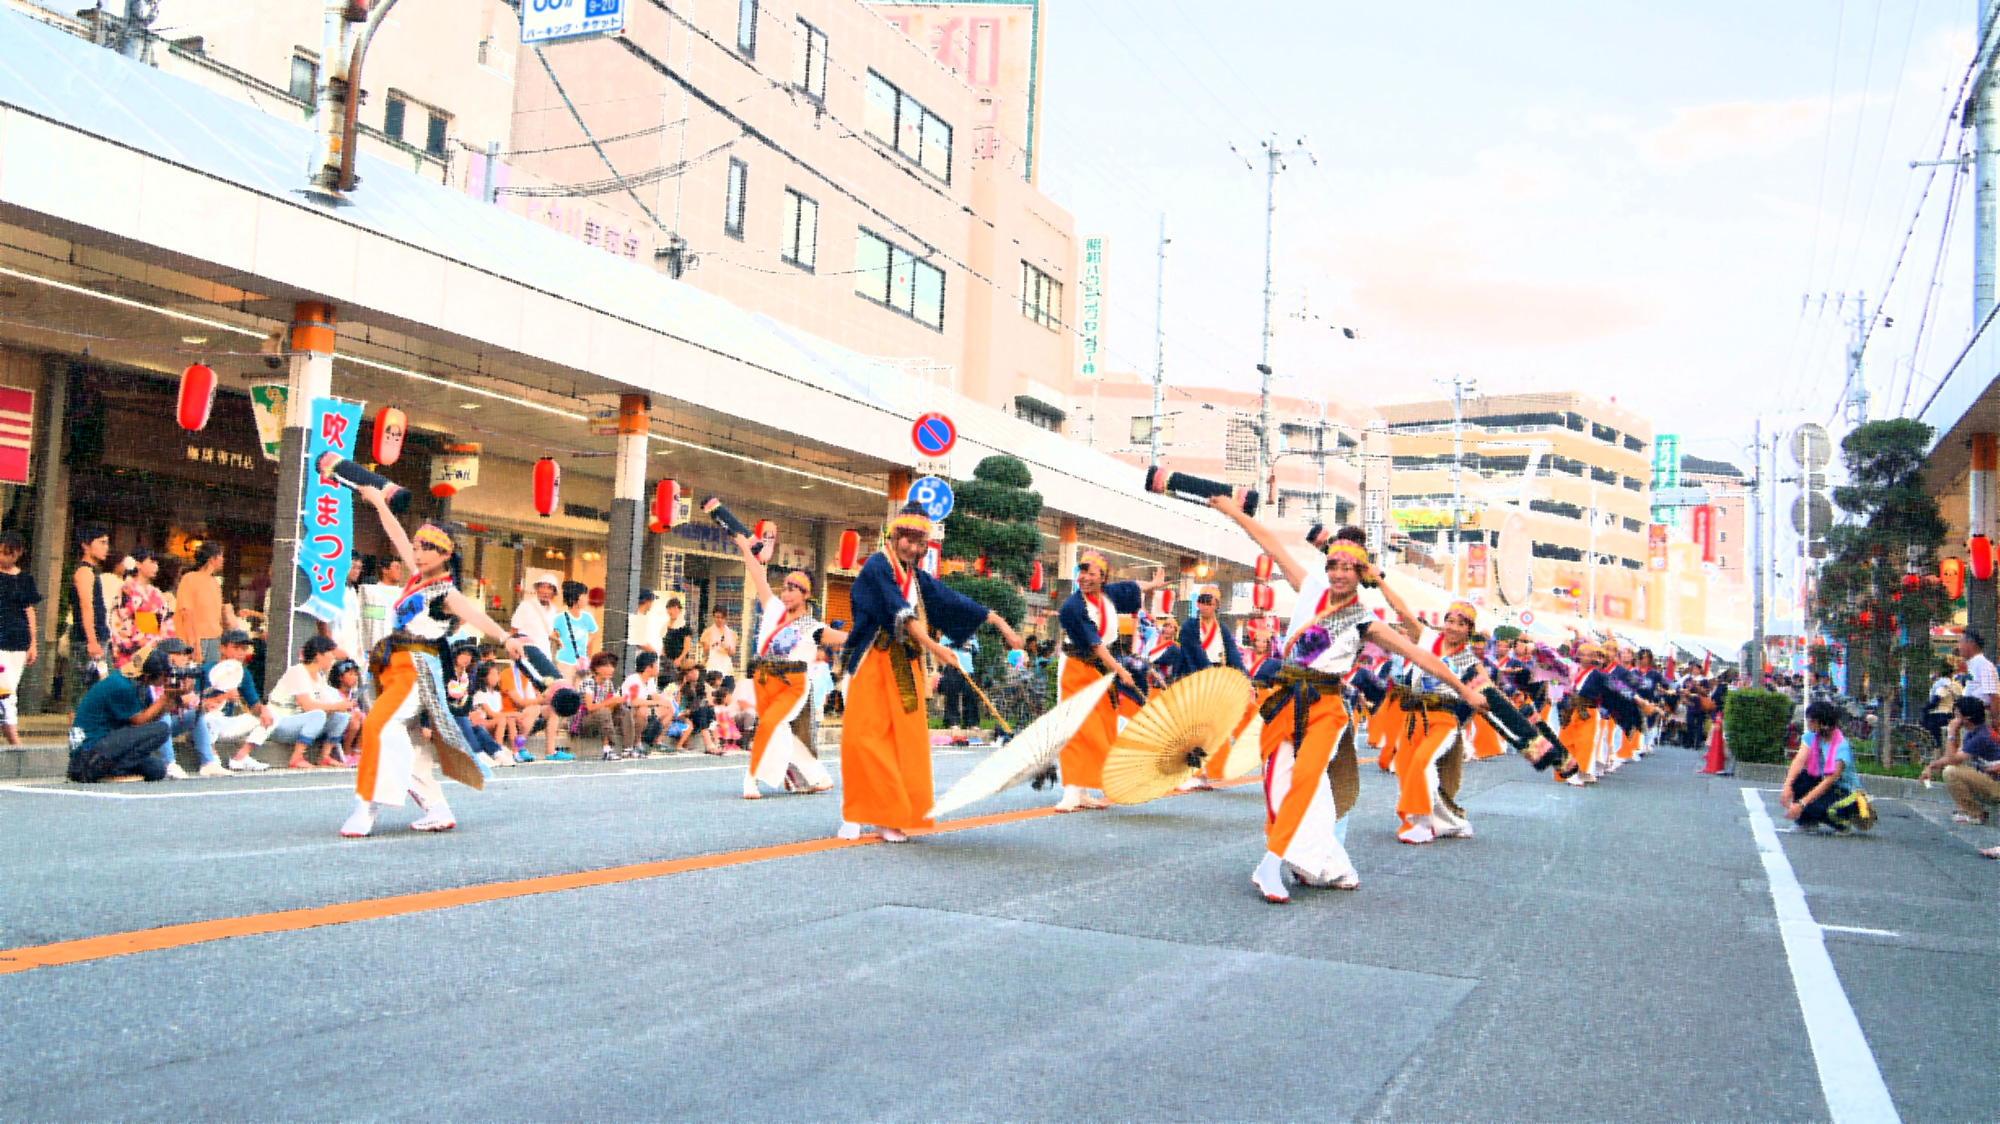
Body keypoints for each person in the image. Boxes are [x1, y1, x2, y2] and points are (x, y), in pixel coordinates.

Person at [1209, 499, 1487, 902]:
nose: (1339, 574)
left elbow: (1421, 656)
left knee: (1306, 779)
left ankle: (1269, 864)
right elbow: (1270, 544)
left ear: (1360, 575)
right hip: (1286, 701)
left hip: (1325, 708)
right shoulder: (1308, 590)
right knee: (1285, 787)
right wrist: (1232, 512)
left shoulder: (1364, 621)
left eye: (1348, 568)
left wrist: (1465, 691)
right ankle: (1325, 863)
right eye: (1334, 566)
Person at [340, 488, 527, 838]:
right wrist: (380, 502)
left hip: (416, 668)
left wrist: (505, 638)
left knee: (379, 727)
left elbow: (476, 615)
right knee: (409, 743)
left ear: (445, 554)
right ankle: (436, 808)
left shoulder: (446, 592)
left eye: (428, 548)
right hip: (390, 666)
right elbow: (395, 533)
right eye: (417, 546)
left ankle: (367, 806)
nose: (418, 552)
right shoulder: (414, 577)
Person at [838, 503, 1022, 842]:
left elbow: (951, 600)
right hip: (872, 659)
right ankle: (857, 811)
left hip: (905, 664)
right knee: (865, 739)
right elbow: (903, 615)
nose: (911, 546)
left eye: (919, 541)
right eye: (906, 538)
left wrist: (999, 622)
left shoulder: (917, 578)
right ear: (894, 535)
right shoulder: (878, 566)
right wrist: (936, 648)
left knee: (905, 742)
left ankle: (891, 814)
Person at [1051, 551, 1168, 812]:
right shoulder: (1073, 607)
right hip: (1076, 668)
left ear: (1103, 578)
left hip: (1101, 672)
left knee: (1101, 727)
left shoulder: (1110, 596)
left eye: (1092, 573)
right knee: (1073, 727)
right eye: (1082, 573)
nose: (1085, 578)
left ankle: (1083, 790)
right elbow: (1095, 646)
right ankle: (1071, 790)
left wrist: (1153, 586)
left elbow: (1134, 587)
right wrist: (1121, 670)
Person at [734, 531, 842, 798]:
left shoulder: (812, 626)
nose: (785, 592)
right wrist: (744, 548)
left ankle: (751, 779)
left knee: (769, 724)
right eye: (784, 587)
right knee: (778, 728)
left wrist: (872, 632)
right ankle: (818, 776)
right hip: (763, 681)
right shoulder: (772, 608)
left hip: (791, 685)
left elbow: (844, 640)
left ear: (806, 594)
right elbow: (758, 574)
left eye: (792, 589)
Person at [67, 640, 206, 783]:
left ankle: (110, 768)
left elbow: (153, 715)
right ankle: (107, 770)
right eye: (164, 675)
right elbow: (139, 721)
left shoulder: (137, 682)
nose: (166, 678)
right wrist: (167, 696)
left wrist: (174, 695)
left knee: (157, 770)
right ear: (147, 675)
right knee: (162, 729)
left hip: (106, 744)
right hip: (88, 753)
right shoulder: (121, 685)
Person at [1782, 698, 1873, 833]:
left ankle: (1843, 824)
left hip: (1844, 791)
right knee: (1800, 779)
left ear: (1823, 723)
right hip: (1824, 783)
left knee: (1825, 808)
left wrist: (1802, 804)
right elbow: (1799, 761)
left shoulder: (1842, 747)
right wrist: (1787, 787)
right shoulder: (1811, 737)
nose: (1808, 724)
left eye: (1812, 721)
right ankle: (1807, 822)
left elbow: (1829, 781)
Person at [267, 636, 354, 770]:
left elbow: (325, 702)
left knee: (342, 716)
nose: (333, 657)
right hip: (280, 723)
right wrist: (336, 706)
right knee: (317, 715)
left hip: (300, 723)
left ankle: (324, 756)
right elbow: (307, 706)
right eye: (330, 652)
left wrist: (342, 706)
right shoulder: (298, 672)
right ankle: (296, 757)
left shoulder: (319, 676)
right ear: (319, 655)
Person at [202, 629, 277, 775]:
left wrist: (264, 710)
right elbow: (194, 703)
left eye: (244, 648)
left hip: (227, 723)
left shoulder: (243, 672)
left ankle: (241, 757)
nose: (241, 653)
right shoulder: (206, 670)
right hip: (208, 722)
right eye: (236, 648)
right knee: (205, 719)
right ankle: (212, 758)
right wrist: (222, 697)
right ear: (222, 648)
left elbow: (254, 704)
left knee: (272, 717)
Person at [1921, 695, 2000, 827]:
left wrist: (1951, 733)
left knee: (1951, 772)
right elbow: (1956, 756)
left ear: (1966, 719)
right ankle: (1967, 810)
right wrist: (1931, 766)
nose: (1953, 718)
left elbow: (1953, 760)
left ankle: (1973, 814)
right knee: (1954, 769)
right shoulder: (1975, 732)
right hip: (1992, 779)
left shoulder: (1981, 737)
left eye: (1956, 715)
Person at [0, 531, 41, 746]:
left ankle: (10, 731)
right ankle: (12, 734)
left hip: (18, 639)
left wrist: (33, 642)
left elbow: (29, 610)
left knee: (9, 688)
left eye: (8, 553)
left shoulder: (25, 579)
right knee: (3, 688)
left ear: (19, 552)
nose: (3, 557)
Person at [173, 540, 240, 666]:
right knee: (195, 676)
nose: (222, 559)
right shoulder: (189, 578)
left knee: (211, 677)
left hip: (215, 637)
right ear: (211, 558)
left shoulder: (215, 582)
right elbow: (186, 612)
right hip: (197, 637)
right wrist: (192, 644)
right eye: (220, 555)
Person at [110, 548, 174, 671]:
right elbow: (124, 621)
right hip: (132, 648)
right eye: (151, 562)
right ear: (138, 564)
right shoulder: (128, 589)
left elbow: (166, 620)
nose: (155, 567)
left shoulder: (155, 592)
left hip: (154, 648)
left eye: (156, 563)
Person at [69, 524, 112, 692]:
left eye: (107, 543)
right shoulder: (84, 571)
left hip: (96, 636)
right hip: (87, 639)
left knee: (98, 689)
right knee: (82, 692)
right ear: (85, 545)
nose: (105, 548)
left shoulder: (91, 571)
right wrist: (92, 641)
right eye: (101, 542)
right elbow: (86, 606)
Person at [574, 651, 637, 760]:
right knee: (603, 711)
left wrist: (619, 701)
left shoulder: (608, 683)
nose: (611, 669)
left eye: (612, 666)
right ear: (596, 668)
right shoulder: (588, 682)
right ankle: (607, 749)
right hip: (585, 722)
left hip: (603, 720)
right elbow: (590, 708)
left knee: (623, 711)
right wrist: (610, 701)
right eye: (606, 666)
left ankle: (628, 748)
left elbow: (611, 704)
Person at [621, 651, 671, 752]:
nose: (658, 667)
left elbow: (655, 697)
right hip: (626, 712)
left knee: (669, 709)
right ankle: (636, 742)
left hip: (642, 709)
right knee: (643, 710)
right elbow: (634, 702)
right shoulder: (633, 680)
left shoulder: (650, 680)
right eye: (656, 664)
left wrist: (664, 701)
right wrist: (656, 703)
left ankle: (657, 742)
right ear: (648, 667)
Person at [509, 572, 560, 671]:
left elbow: (547, 633)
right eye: (543, 587)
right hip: (525, 655)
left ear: (554, 592)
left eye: (549, 588)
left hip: (544, 656)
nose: (545, 591)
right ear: (537, 589)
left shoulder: (554, 611)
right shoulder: (526, 605)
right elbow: (513, 630)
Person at [552, 580, 598, 679]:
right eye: (584, 595)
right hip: (565, 660)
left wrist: (587, 660)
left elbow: (591, 638)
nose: (587, 598)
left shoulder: (587, 614)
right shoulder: (560, 613)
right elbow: (552, 634)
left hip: (580, 660)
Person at [1923, 661, 1962, 750]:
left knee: (1932, 731)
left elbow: (1936, 699)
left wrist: (1925, 709)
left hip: (1940, 714)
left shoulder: (1941, 683)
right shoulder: (1957, 685)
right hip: (1952, 715)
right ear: (1952, 673)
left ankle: (1936, 748)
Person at [1960, 629, 1998, 720]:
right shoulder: (1973, 664)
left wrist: (1995, 720)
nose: (1959, 647)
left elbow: (1994, 695)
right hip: (1970, 717)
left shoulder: (1984, 664)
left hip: (1980, 718)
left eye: (1961, 642)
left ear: (1971, 644)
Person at [659, 594, 695, 671]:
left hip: (680, 662)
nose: (672, 611)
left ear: (680, 610)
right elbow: (664, 644)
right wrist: (663, 655)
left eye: (675, 609)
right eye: (670, 608)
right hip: (667, 662)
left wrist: (679, 659)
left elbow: (686, 647)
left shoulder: (685, 627)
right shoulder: (665, 627)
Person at [701, 606, 738, 679]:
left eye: (722, 617)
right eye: (717, 617)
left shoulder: (731, 634)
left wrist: (727, 648)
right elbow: (706, 652)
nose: (719, 620)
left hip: (727, 669)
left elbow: (732, 653)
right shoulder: (707, 633)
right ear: (713, 617)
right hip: (713, 668)